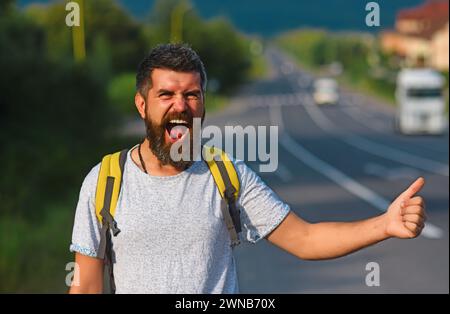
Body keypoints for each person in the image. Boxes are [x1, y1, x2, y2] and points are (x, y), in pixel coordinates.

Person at [68, 43, 427, 294]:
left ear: (203, 103)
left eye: (192, 95)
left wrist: (384, 224)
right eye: (167, 95)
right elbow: (85, 285)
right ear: (141, 105)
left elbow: (305, 239)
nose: (182, 105)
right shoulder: (106, 181)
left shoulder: (228, 175)